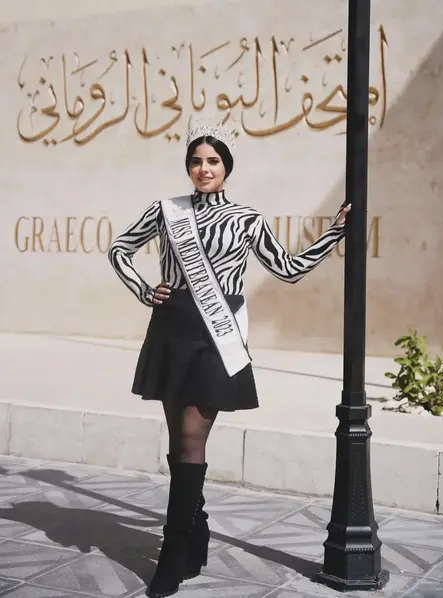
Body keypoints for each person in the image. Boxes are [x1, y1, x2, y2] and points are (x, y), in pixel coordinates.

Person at [108, 121, 350, 598]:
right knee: (178, 442)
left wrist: (333, 233)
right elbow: (120, 249)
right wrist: (145, 290)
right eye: (196, 161)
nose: (204, 169)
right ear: (188, 166)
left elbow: (289, 269)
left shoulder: (247, 219)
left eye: (213, 161)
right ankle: (196, 526)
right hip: (173, 330)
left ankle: (172, 553)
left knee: (192, 438)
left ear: (227, 167)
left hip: (217, 337)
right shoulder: (166, 211)